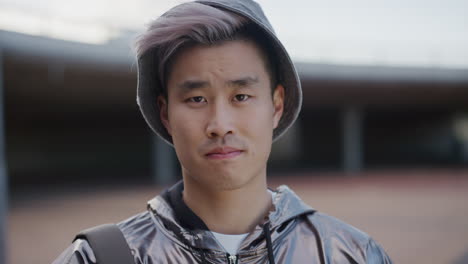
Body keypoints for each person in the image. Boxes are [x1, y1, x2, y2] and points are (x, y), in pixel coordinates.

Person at [53, 0, 392, 263]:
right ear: (165, 113)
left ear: (276, 105)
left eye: (241, 96)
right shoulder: (98, 258)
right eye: (196, 98)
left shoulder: (350, 254)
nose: (220, 125)